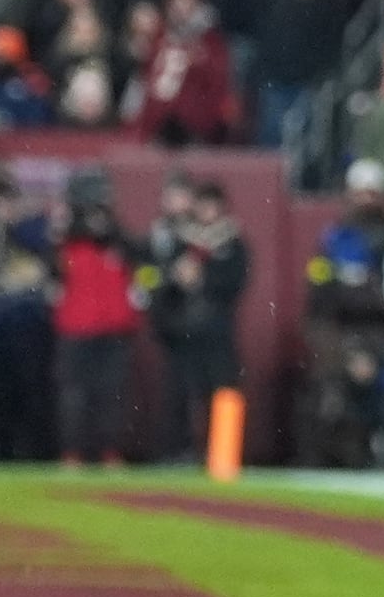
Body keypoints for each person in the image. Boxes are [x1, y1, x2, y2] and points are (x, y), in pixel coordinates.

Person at [301, 161, 384, 469]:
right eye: (358, 193)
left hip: (380, 330)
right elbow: (318, 290)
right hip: (338, 330)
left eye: (370, 193)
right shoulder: (333, 236)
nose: (364, 200)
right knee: (326, 385)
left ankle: (380, 452)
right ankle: (327, 456)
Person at [149, 178, 250, 461]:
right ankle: (176, 453)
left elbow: (236, 282)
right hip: (184, 330)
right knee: (178, 395)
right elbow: (161, 281)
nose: (207, 212)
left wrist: (203, 278)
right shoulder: (182, 241)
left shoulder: (233, 242)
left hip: (217, 330)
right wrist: (176, 278)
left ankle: (222, 454)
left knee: (222, 393)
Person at [50, 189, 144, 469]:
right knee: (74, 396)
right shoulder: (66, 245)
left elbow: (141, 253)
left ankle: (110, 453)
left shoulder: (121, 246)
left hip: (114, 331)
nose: (96, 222)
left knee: (112, 396)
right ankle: (72, 453)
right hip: (76, 331)